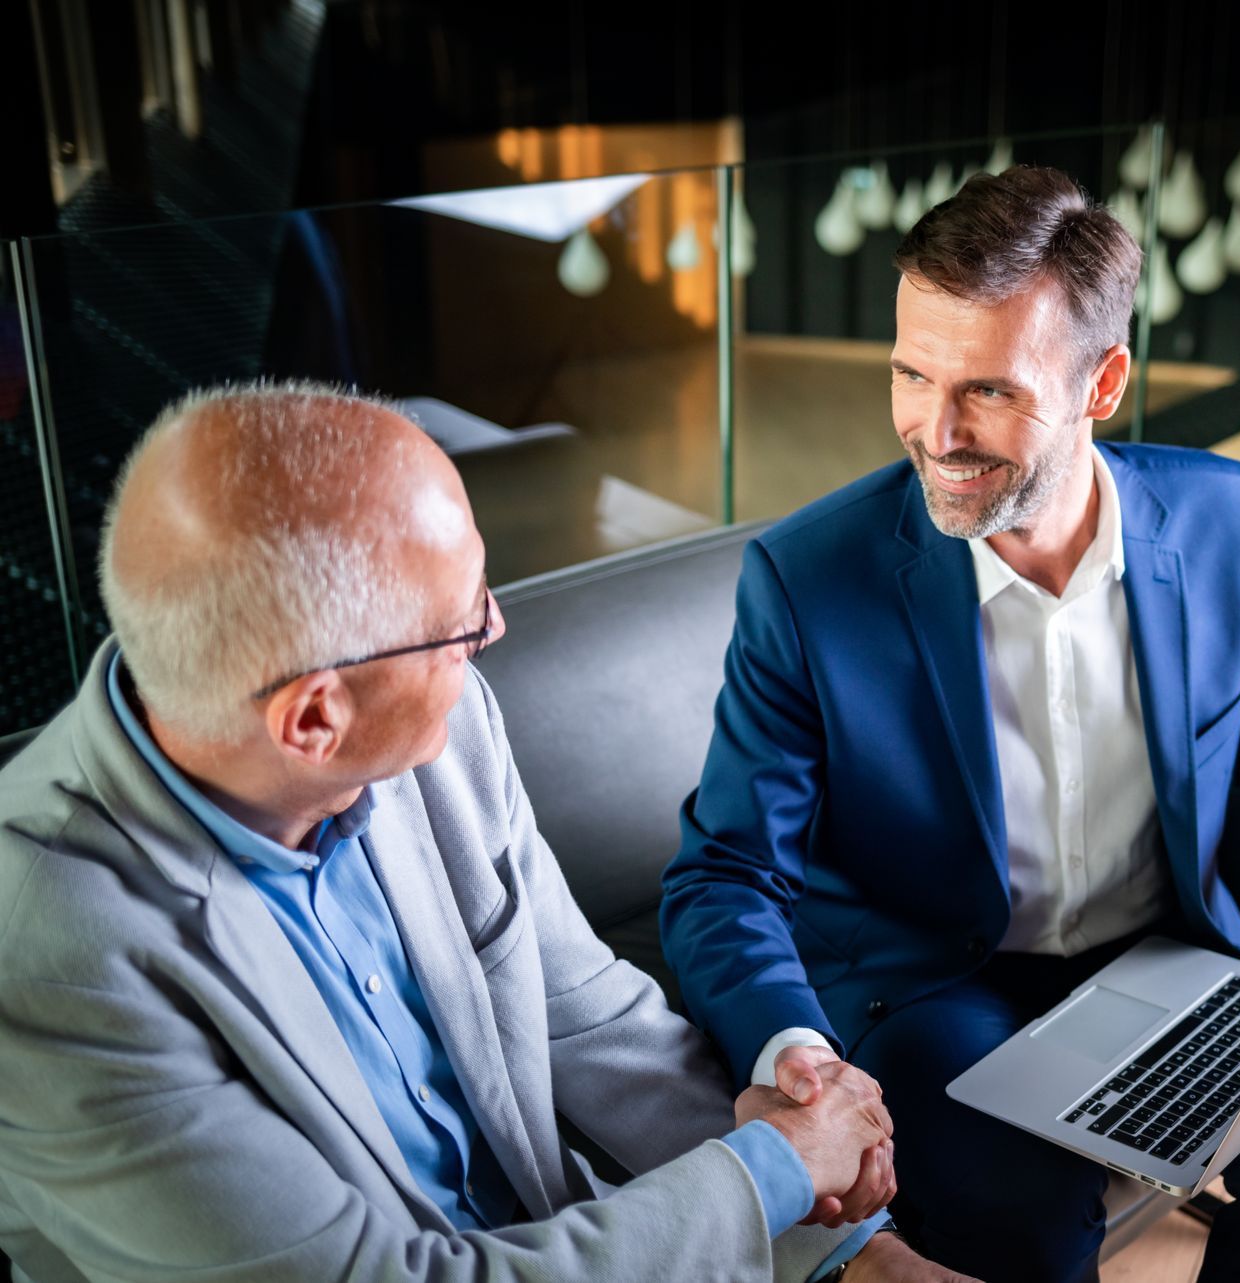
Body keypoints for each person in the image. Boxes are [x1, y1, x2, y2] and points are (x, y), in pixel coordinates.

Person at [0, 383, 969, 1282]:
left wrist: (846, 1245)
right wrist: (776, 1168)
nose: (492, 630)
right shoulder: (45, 958)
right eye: (460, 625)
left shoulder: (440, 729)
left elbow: (590, 1015)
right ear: (313, 718)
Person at [661, 167, 1240, 1282]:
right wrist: (800, 1061)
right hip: (933, 989)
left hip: (1167, 969)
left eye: (989, 390)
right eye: (911, 373)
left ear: (1103, 382)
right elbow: (726, 873)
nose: (936, 431)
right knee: (1022, 1198)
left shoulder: (1234, 518)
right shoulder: (807, 580)